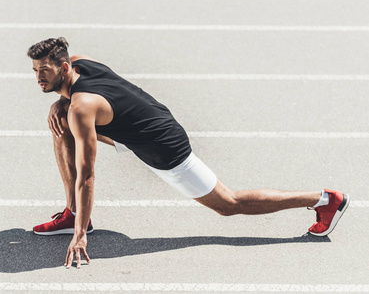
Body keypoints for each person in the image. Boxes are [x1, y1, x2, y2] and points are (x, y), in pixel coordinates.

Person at [27, 37, 350, 270]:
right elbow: (83, 96)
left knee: (229, 204)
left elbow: (87, 175)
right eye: (35, 71)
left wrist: (81, 236)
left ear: (65, 67)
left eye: (44, 71)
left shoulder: (82, 107)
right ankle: (72, 213)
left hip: (164, 147)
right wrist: (61, 101)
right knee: (62, 124)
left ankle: (324, 199)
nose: (38, 77)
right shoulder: (82, 64)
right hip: (142, 127)